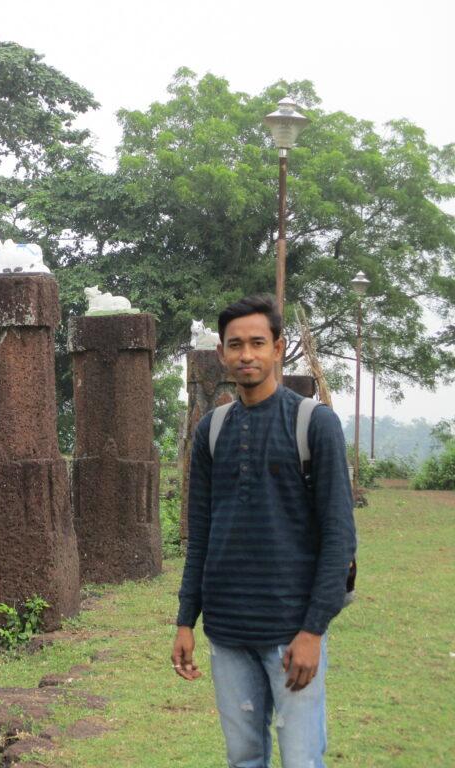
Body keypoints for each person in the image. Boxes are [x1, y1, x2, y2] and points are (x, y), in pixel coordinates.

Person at [172, 295, 357, 768]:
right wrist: (185, 621)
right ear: (222, 353)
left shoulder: (313, 423)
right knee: (244, 757)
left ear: (279, 347)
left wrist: (313, 631)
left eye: (258, 343)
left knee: (300, 758)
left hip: (291, 629)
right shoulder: (212, 431)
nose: (246, 355)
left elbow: (339, 537)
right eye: (236, 345)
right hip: (229, 630)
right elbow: (202, 535)